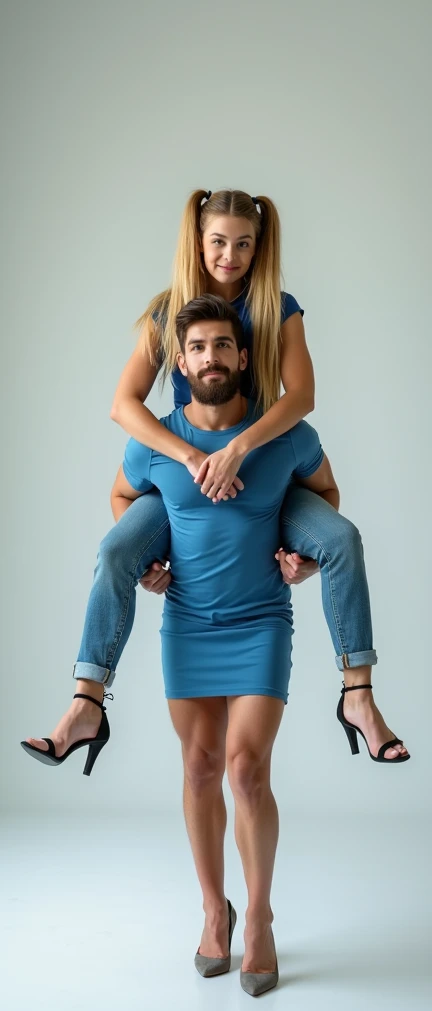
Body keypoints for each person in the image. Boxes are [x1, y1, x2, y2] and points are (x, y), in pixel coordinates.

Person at [22, 189, 409, 763]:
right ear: (198, 242)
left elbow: (301, 395)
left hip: (267, 470)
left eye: (244, 244)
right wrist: (191, 459)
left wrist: (238, 449)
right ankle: (87, 702)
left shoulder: (279, 307)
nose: (230, 255)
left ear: (259, 247)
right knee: (113, 553)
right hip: (189, 478)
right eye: (218, 242)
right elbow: (123, 405)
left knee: (342, 540)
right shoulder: (168, 310)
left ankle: (358, 693)